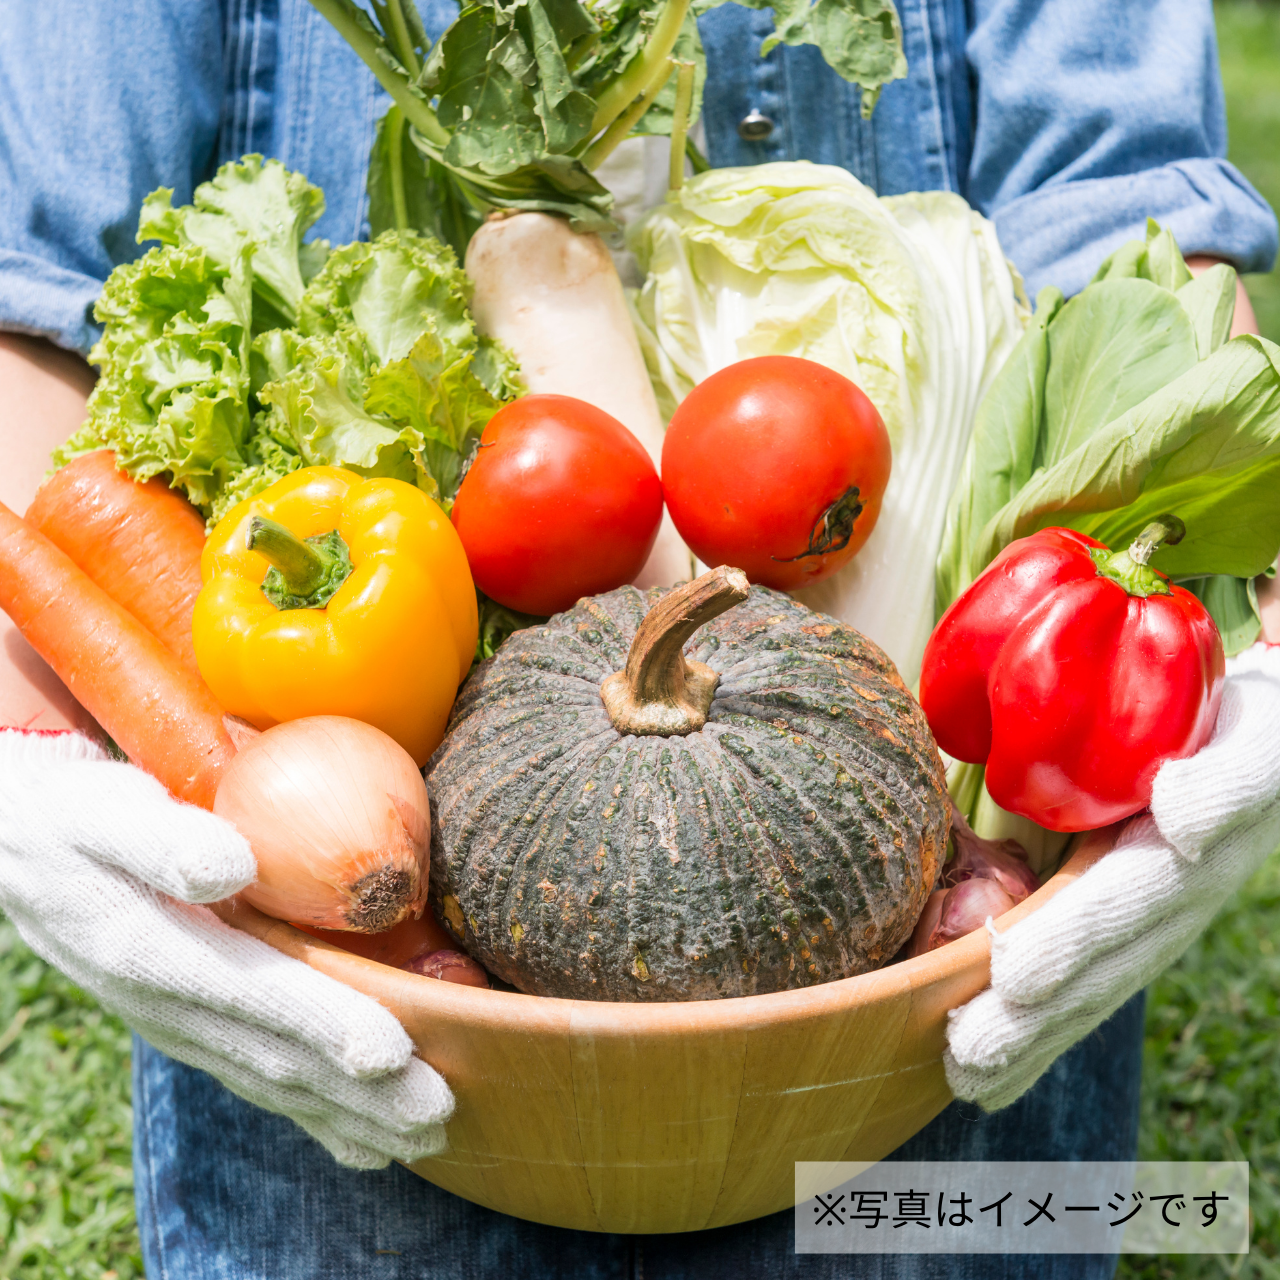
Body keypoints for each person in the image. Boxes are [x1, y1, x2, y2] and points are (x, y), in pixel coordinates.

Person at [1, 1, 1276, 1277]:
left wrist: (1243, 653)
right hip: (369, 1017)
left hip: (956, 1000)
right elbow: (35, 274)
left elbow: (1133, 218)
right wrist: (28, 748)